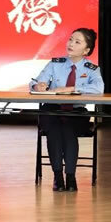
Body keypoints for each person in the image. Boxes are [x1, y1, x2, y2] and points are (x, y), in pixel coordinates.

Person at [32, 28, 104, 192]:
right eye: (70, 39)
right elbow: (36, 82)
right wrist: (38, 86)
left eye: (77, 42)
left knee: (68, 129)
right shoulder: (55, 64)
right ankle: (58, 177)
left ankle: (70, 176)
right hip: (52, 110)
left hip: (76, 112)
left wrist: (72, 89)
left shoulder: (92, 69)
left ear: (86, 50)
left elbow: (98, 89)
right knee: (55, 129)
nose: (71, 44)